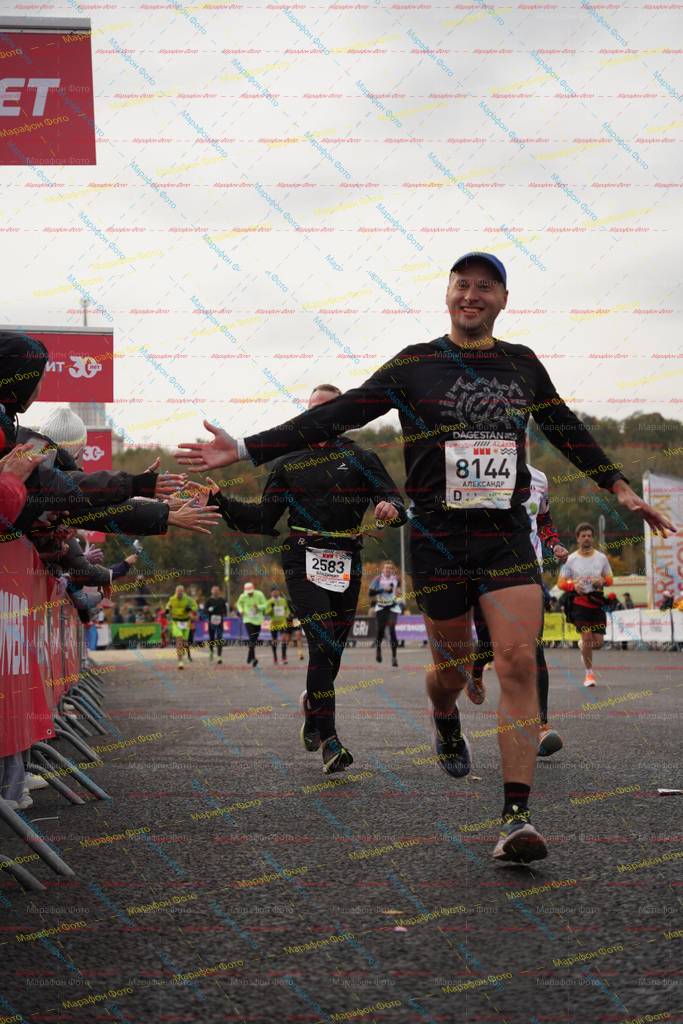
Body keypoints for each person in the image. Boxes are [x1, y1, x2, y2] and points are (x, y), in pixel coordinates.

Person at [177, 251, 674, 861]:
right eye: (462, 284)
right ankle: (443, 714)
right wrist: (246, 449)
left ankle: (516, 816)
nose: (472, 294)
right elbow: (338, 413)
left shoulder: (522, 364)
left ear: (503, 299)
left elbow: (567, 428)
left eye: (485, 286)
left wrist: (618, 486)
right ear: (447, 295)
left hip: (503, 533)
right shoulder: (415, 364)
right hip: (437, 538)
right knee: (453, 668)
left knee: (518, 661)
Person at [191, 384, 406, 774]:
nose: (317, 416)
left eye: (326, 409)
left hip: (347, 557)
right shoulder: (288, 462)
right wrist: (220, 501)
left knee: (333, 651)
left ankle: (313, 707)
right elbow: (262, 519)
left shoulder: (361, 458)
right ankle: (330, 740)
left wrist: (391, 508)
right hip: (302, 557)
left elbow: (393, 500)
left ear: (343, 414)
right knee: (322, 643)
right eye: (311, 409)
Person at [467, 464, 568, 757]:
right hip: (488, 570)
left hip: (528, 571)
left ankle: (541, 726)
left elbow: (544, 519)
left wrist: (554, 543)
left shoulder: (540, 477)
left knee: (533, 648)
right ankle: (476, 670)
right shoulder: (480, 469)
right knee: (491, 643)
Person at [558, 523, 614, 688]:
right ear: (578, 539)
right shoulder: (571, 559)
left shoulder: (601, 558)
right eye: (583, 536)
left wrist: (602, 581)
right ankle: (589, 674)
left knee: (598, 643)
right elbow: (561, 583)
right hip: (579, 603)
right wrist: (572, 586)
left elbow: (610, 579)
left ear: (593, 538)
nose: (586, 538)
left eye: (589, 535)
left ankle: (583, 648)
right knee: (587, 637)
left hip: (597, 602)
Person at [369, 562, 401, 667]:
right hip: (381, 607)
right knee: (381, 630)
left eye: (390, 568)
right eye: (386, 568)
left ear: (392, 570)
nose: (388, 570)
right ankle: (378, 649)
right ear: (383, 570)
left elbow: (398, 589)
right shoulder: (378, 579)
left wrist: (398, 591)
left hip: (392, 607)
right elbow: (370, 593)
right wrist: (383, 589)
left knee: (392, 629)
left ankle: (394, 657)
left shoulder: (396, 579)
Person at [165, 585, 198, 670]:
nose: (179, 593)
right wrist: (167, 610)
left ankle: (183, 652)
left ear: (183, 592)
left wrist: (190, 609)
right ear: (175, 592)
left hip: (186, 622)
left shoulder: (188, 599)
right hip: (176, 622)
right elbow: (168, 606)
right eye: (178, 592)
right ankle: (180, 662)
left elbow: (195, 607)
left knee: (185, 641)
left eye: (181, 592)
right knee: (179, 639)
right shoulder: (172, 599)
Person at [236, 582, 267, 667]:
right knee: (252, 638)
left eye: (251, 592)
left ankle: (250, 655)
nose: (250, 594)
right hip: (248, 619)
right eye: (248, 593)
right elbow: (239, 604)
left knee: (254, 640)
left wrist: (258, 607)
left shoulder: (259, 594)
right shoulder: (242, 596)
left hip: (258, 619)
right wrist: (241, 610)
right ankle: (253, 658)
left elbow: (265, 605)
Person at [264, 586, 292, 664]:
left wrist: (287, 614)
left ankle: (284, 657)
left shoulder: (283, 600)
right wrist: (271, 608)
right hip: (274, 623)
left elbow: (287, 609)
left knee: (284, 639)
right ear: (271, 593)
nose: (275, 593)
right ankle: (275, 657)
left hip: (282, 623)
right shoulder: (269, 602)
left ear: (279, 592)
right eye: (274, 592)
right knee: (274, 641)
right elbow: (266, 613)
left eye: (276, 591)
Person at [205, 586, 228, 663]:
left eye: (217, 590)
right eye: (214, 590)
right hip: (211, 621)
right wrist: (208, 610)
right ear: (211, 591)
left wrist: (221, 612)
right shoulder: (209, 600)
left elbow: (225, 610)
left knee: (219, 638)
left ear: (219, 591)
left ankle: (219, 656)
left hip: (219, 621)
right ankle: (211, 652)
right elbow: (205, 611)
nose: (215, 592)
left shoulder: (222, 600)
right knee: (211, 638)